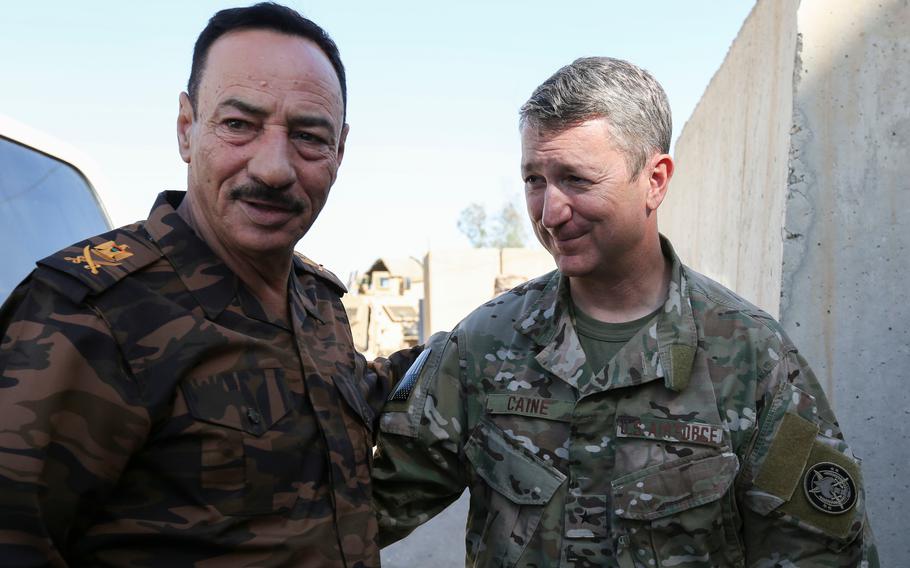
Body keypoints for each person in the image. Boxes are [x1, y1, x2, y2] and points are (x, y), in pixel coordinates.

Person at [372, 57, 878, 567]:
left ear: (655, 180)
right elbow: (366, 512)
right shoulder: (483, 343)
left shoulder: (751, 357)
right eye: (534, 180)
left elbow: (820, 554)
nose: (550, 213)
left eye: (576, 179)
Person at [0, 4, 414, 566]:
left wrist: (471, 349)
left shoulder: (316, 302)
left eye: (308, 136)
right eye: (239, 125)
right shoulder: (89, 315)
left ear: (339, 150)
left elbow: (347, 396)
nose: (273, 168)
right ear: (186, 129)